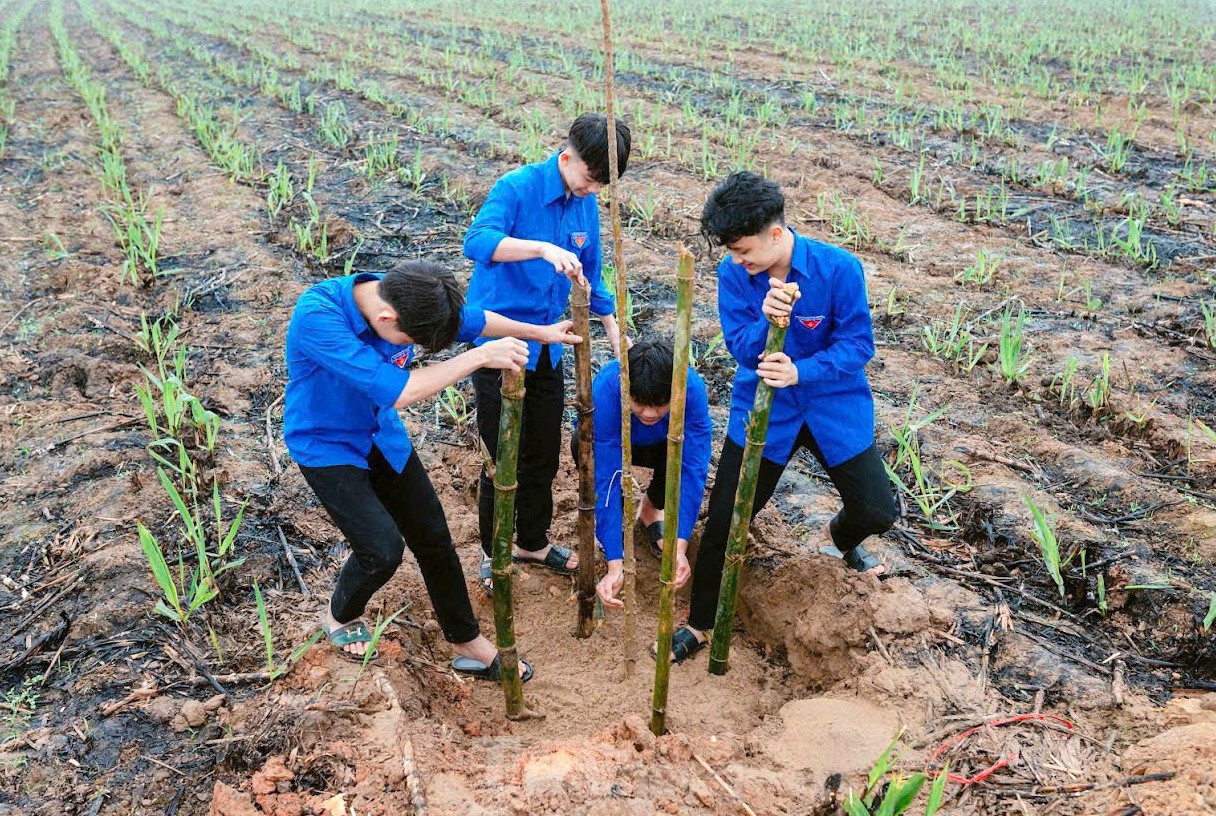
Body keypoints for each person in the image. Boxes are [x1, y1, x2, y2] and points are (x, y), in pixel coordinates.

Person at [283, 261, 580, 679]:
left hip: (380, 433)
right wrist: (477, 357)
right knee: (382, 550)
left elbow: (474, 320)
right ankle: (340, 617)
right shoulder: (319, 317)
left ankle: (466, 640)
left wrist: (541, 332)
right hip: (326, 444)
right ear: (387, 319)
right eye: (412, 342)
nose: (413, 348)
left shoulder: (413, 298)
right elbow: (401, 390)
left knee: (435, 537)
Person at [666, 171, 899, 664]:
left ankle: (840, 540)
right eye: (731, 251)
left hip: (833, 405)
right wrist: (763, 322)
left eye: (744, 250)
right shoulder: (735, 276)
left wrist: (802, 370)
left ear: (776, 234)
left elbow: (859, 345)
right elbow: (739, 348)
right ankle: (701, 623)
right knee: (728, 516)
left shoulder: (839, 270)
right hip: (763, 413)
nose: (737, 261)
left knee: (878, 509)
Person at [463, 112, 631, 593]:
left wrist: (614, 330)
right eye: (590, 178)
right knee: (502, 455)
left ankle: (531, 542)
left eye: (603, 184)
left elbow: (592, 274)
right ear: (566, 158)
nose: (593, 190)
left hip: (549, 349)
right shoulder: (516, 188)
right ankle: (490, 551)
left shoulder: (586, 205)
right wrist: (539, 248)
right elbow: (476, 242)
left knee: (542, 453)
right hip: (500, 346)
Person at [571, 339, 712, 609]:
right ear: (626, 389)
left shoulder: (690, 389)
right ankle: (616, 529)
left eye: (660, 404)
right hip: (618, 439)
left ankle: (651, 509)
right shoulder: (607, 389)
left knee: (680, 455)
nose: (648, 413)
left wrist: (678, 546)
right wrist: (615, 563)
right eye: (639, 403)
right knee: (582, 445)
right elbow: (606, 477)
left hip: (665, 442)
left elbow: (693, 469)